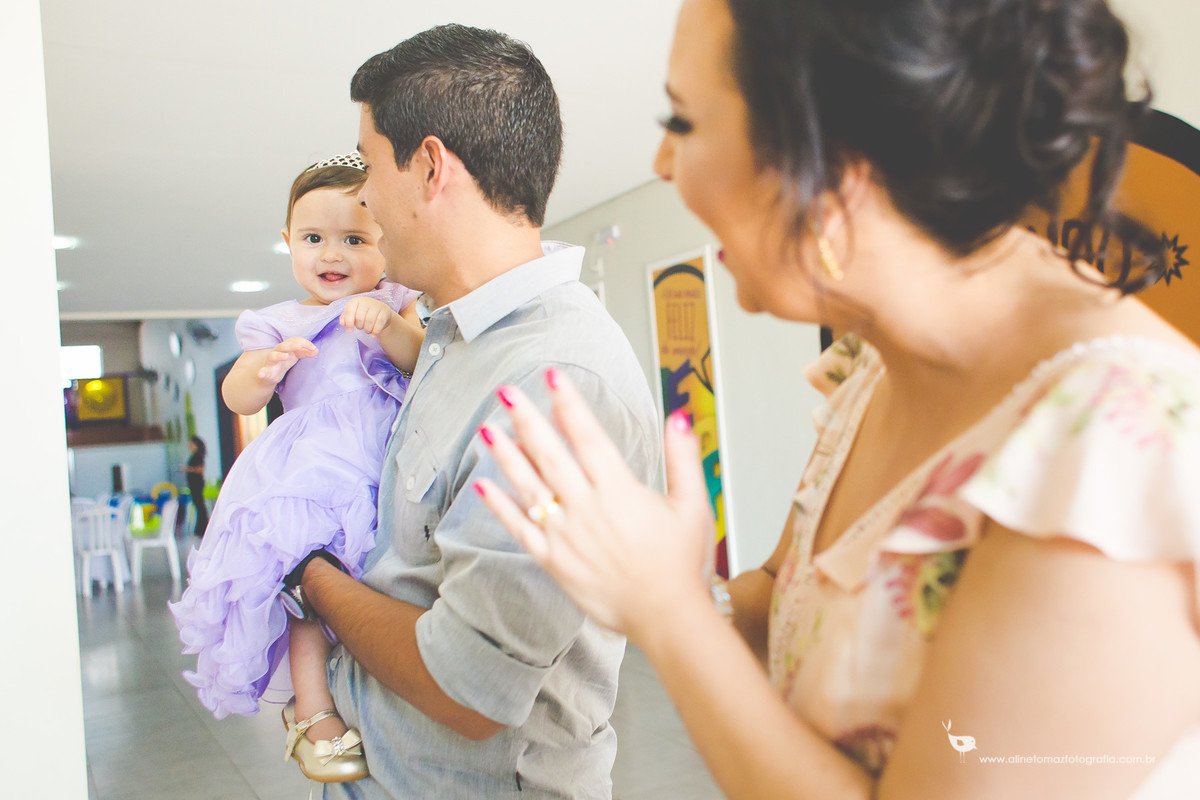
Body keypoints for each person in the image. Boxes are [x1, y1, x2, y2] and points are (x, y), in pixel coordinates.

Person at [474, 0, 1200, 798]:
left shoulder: (1118, 454)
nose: (662, 161)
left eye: (681, 121)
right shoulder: (879, 366)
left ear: (835, 157)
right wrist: (664, 574)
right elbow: (785, 602)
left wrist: (668, 612)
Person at [286, 24, 659, 799]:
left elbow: (465, 688)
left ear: (428, 166)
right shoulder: (446, 337)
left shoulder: (556, 382)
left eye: (369, 166)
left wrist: (310, 577)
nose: (363, 199)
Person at [170, 155, 425, 784]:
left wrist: (389, 326)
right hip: (310, 476)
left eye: (355, 239)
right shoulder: (279, 321)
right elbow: (238, 396)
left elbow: (422, 361)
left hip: (386, 465)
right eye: (313, 238)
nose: (330, 253)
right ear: (288, 242)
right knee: (309, 591)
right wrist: (262, 372)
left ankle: (392, 695)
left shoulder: (399, 301)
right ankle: (313, 714)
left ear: (386, 242)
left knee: (383, 589)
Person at [182, 435, 209, 536]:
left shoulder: (198, 456)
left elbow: (200, 469)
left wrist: (188, 469)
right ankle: (200, 529)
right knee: (198, 506)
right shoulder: (194, 456)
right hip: (194, 484)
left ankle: (203, 529)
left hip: (197, 484)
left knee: (200, 506)